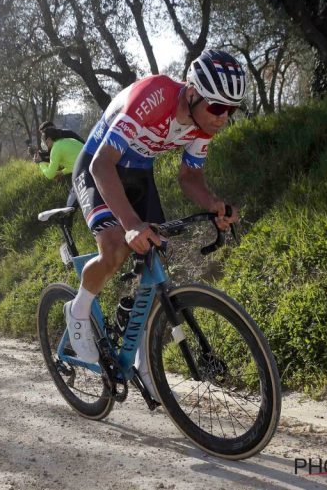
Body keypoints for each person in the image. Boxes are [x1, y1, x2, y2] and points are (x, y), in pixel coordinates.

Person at [64, 49, 245, 399]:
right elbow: (102, 165)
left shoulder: (203, 122)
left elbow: (190, 176)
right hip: (98, 165)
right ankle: (79, 308)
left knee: (155, 260)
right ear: (191, 93)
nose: (223, 118)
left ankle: (145, 362)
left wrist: (214, 205)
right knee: (116, 247)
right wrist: (130, 222)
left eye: (231, 110)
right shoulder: (156, 96)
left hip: (139, 173)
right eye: (218, 108)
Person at [35, 126, 84, 208]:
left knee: (70, 206)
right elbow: (73, 163)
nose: (42, 142)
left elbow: (50, 175)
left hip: (85, 173)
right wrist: (61, 172)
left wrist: (40, 163)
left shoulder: (55, 149)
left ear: (49, 139)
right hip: (89, 168)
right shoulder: (68, 140)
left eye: (43, 140)